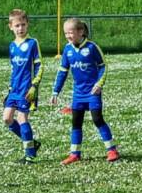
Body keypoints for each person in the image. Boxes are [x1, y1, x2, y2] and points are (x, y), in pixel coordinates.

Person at [50, 18, 120, 164]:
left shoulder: (92, 47)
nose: (68, 36)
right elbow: (63, 71)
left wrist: (99, 84)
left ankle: (112, 150)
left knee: (97, 119)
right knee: (76, 123)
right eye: (65, 33)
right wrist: (55, 91)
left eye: (70, 32)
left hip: (92, 92)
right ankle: (75, 154)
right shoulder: (67, 50)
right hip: (78, 94)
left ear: (81, 31)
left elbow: (103, 66)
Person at [3, 9, 42, 163]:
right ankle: (32, 143)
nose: (21, 28)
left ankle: (30, 155)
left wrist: (34, 86)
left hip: (27, 89)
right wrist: (9, 89)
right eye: (17, 25)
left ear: (27, 24)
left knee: (21, 118)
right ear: (10, 27)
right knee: (7, 119)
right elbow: (13, 69)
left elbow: (39, 65)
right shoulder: (12, 46)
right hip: (14, 89)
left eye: (23, 25)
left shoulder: (32, 43)